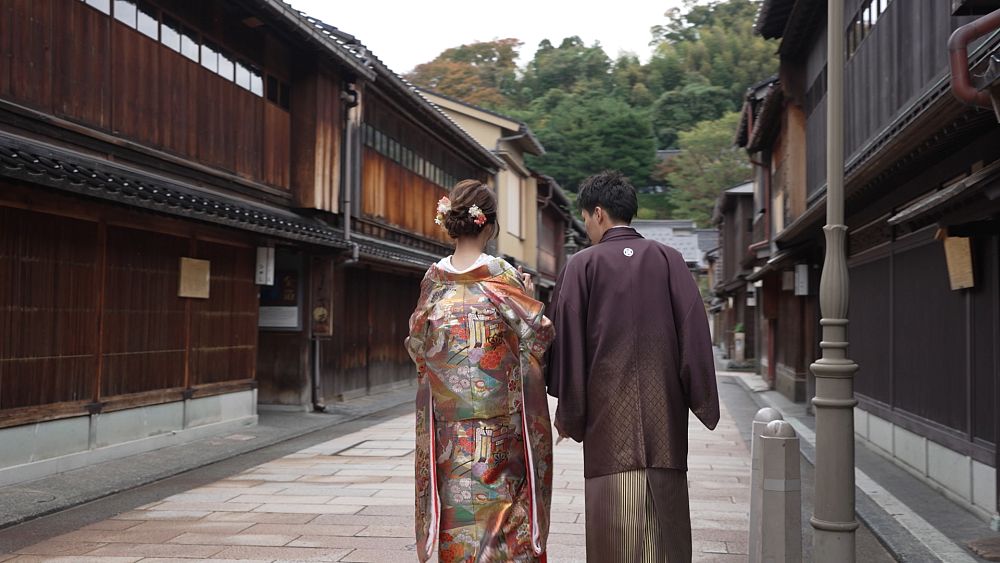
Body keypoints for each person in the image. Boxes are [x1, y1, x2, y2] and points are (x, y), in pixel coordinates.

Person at [545, 170, 720, 563]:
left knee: (615, 540)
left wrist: (569, 415)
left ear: (599, 213)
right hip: (666, 429)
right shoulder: (670, 260)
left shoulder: (582, 266)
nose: (587, 226)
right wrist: (701, 399)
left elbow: (568, 343)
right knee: (667, 542)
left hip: (608, 429)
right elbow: (694, 332)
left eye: (587, 219)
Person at [406, 179, 555, 563]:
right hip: (500, 426)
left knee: (457, 515)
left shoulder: (433, 280)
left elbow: (419, 348)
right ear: (488, 225)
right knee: (504, 517)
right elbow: (538, 337)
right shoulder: (503, 277)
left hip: (449, 428)